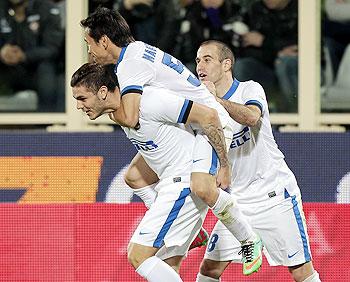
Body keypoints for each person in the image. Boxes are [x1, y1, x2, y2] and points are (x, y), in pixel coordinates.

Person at [80, 7, 263, 275]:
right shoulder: (137, 51)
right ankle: (194, 230)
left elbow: (130, 116)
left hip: (209, 121)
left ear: (104, 40)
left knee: (201, 185)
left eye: (89, 44)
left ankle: (248, 239)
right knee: (134, 177)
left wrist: (224, 165)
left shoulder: (130, 63)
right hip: (188, 122)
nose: (90, 52)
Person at [70, 62, 221, 281]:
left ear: (103, 91)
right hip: (178, 185)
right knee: (167, 265)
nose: (78, 106)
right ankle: (193, 232)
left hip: (184, 182)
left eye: (82, 98)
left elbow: (208, 116)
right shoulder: (118, 113)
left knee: (138, 256)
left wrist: (221, 165)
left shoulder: (148, 101)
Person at [194, 40, 321, 282]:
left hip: (274, 196)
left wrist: (217, 102)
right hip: (239, 203)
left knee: (301, 271)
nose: (200, 65)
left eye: (207, 59)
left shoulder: (250, 89)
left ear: (226, 64)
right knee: (209, 270)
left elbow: (252, 117)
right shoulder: (201, 109)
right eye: (198, 60)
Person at [0, 0, 65, 112]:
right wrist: (2, 52)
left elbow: (52, 49)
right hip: (6, 68)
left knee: (49, 72)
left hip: (37, 69)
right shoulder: (2, 7)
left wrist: (24, 56)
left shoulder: (46, 8)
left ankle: (47, 124)